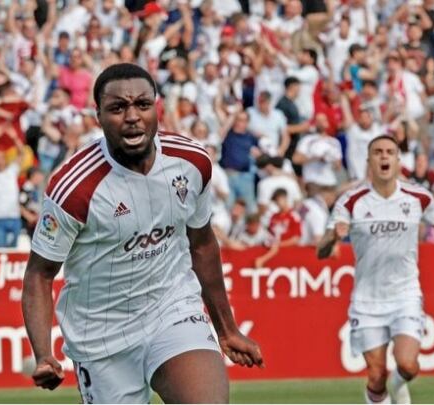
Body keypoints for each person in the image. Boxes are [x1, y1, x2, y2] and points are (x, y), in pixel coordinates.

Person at [22, 63, 263, 404]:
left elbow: (203, 245)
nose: (132, 116)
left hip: (171, 310)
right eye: (118, 108)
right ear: (98, 116)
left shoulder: (192, 162)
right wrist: (43, 352)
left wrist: (227, 329)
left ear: (156, 108)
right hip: (101, 338)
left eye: (142, 105)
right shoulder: (73, 188)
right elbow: (39, 275)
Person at [317, 135, 434, 404]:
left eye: (390, 151)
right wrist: (333, 237)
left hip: (405, 295)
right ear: (369, 161)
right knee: (376, 375)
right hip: (367, 300)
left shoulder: (418, 197)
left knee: (408, 365)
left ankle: (400, 385)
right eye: (377, 152)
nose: (384, 156)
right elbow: (320, 251)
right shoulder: (351, 202)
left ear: (398, 160)